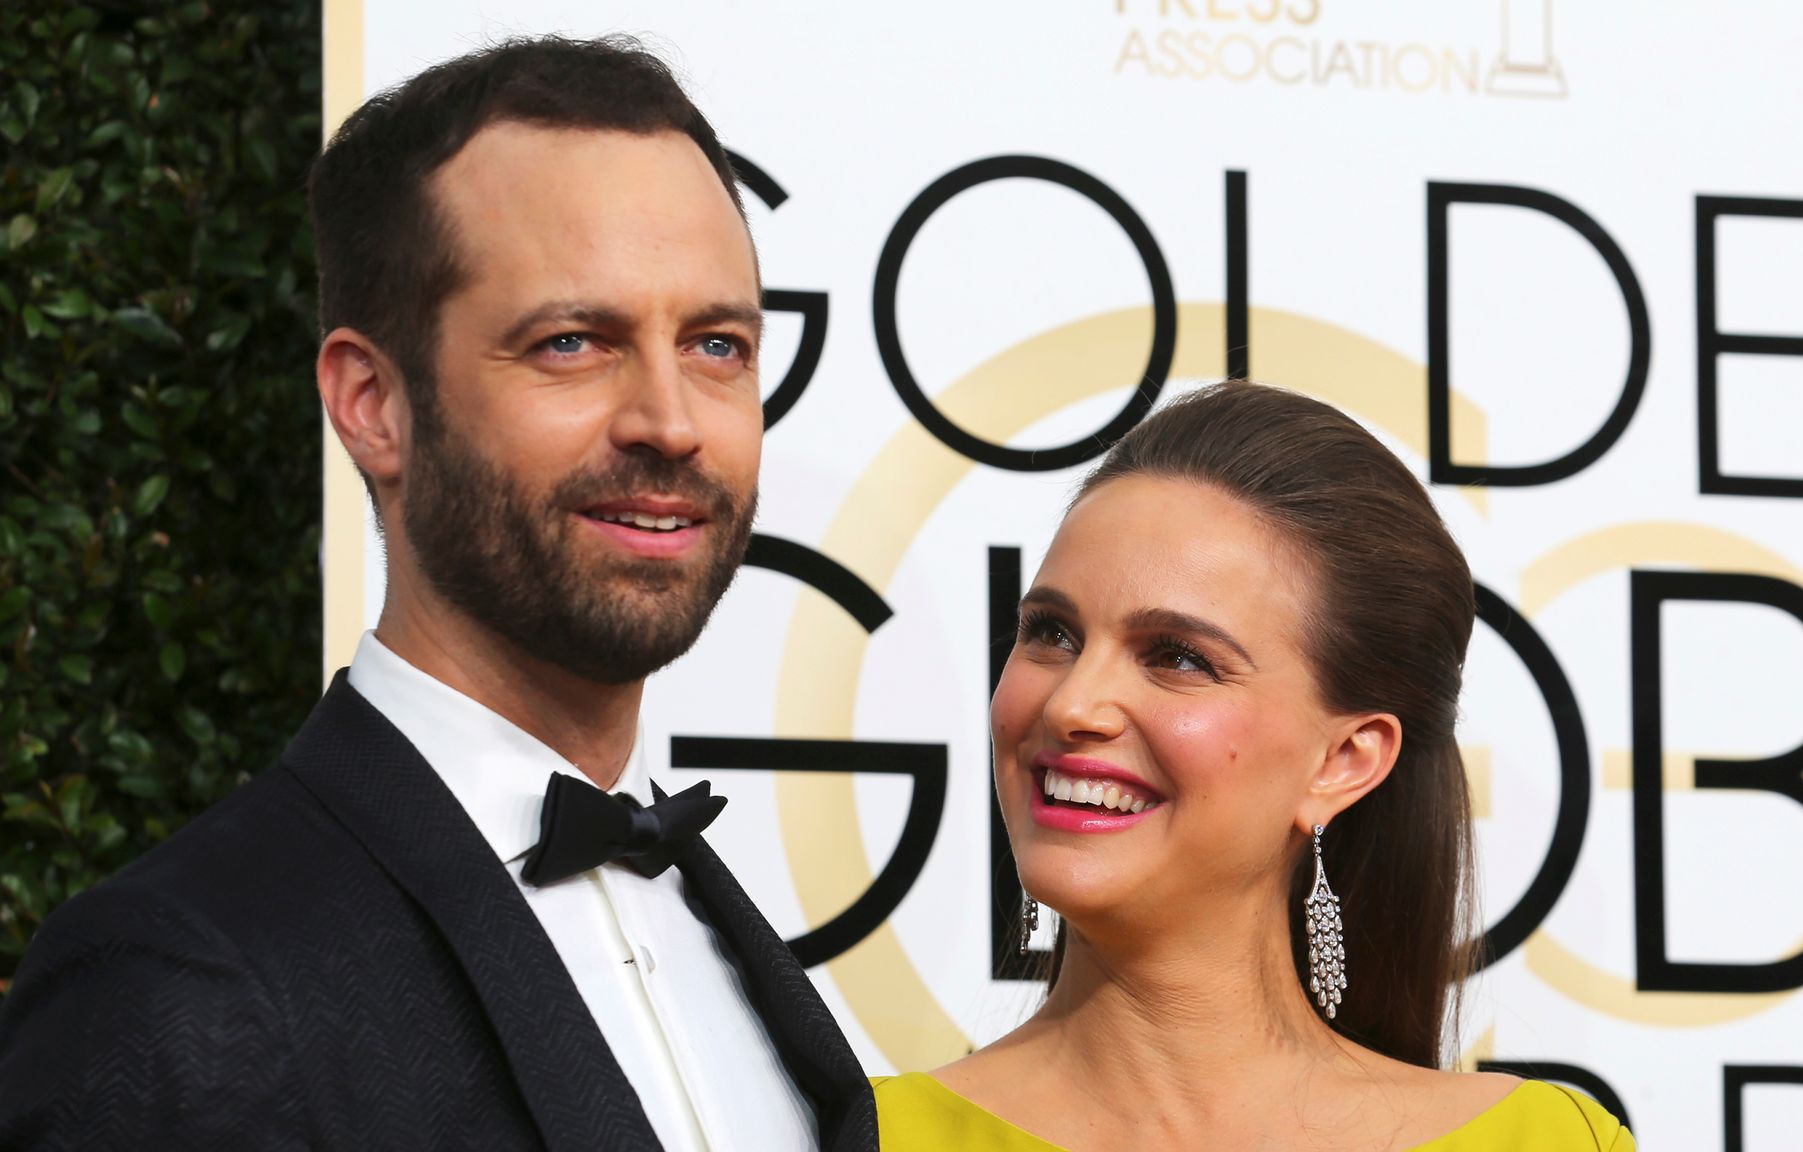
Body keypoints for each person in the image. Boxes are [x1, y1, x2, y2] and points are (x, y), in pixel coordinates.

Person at [0, 36, 876, 1152]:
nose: (670, 419)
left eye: (716, 344)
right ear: (372, 403)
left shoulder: (730, 946)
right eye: (571, 342)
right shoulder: (179, 982)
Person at [874, 382, 1633, 1150]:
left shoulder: (1546, 1141)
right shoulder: (857, 1135)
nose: (1074, 705)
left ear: (1342, 759)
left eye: (1177, 657)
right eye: (1051, 633)